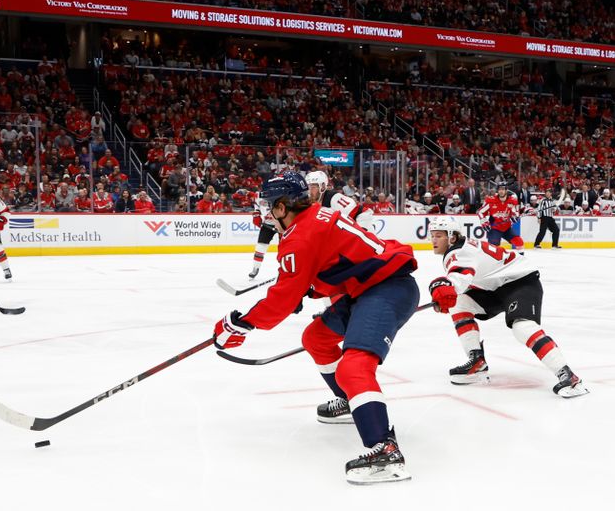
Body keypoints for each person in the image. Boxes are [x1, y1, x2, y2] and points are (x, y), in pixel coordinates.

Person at [214, 171, 420, 484]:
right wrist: (309, 290)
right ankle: (353, 403)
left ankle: (384, 449)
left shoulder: (299, 235)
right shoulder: (314, 217)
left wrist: (241, 324)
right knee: (316, 337)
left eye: (269, 207)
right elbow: (341, 259)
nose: (266, 213)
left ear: (283, 207)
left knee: (354, 367)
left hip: (385, 289)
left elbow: (281, 300)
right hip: (368, 287)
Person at [427, 217, 588, 398]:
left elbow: (462, 275)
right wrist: (449, 293)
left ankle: (569, 377)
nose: (433, 240)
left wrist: (446, 287)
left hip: (520, 282)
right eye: (432, 235)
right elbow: (466, 279)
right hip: (496, 286)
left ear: (452, 237)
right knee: (459, 303)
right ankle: (477, 362)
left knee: (522, 327)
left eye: (439, 236)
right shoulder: (460, 248)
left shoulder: (456, 253)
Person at [477, 183, 524, 251]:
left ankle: (520, 259)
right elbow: (480, 212)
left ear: (506, 190)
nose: (501, 191)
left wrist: (514, 217)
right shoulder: (491, 201)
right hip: (494, 228)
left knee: (519, 242)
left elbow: (515, 212)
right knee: (493, 248)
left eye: (503, 189)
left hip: (507, 228)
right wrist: (484, 222)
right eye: (499, 189)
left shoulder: (513, 201)